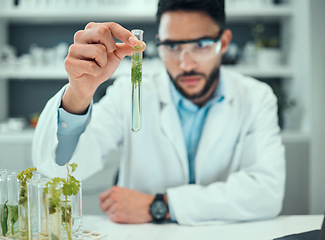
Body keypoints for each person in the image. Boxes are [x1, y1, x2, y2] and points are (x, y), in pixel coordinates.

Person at [32, 0, 285, 225]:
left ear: (224, 43)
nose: (186, 64)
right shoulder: (127, 93)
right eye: (172, 46)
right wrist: (79, 94)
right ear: (157, 44)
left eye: (201, 45)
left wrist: (159, 205)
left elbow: (267, 193)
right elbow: (59, 170)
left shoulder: (255, 97)